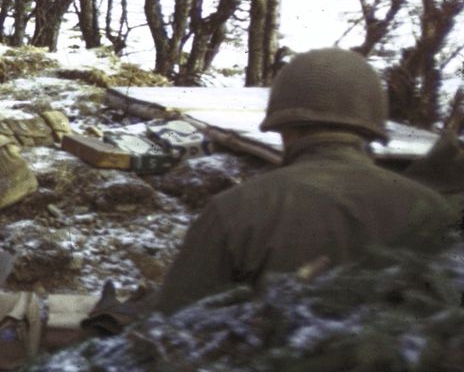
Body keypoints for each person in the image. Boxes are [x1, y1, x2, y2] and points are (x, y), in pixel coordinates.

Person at [153, 47, 461, 314]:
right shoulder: (432, 209)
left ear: (283, 126)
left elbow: (166, 331)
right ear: (372, 125)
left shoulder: (236, 210)